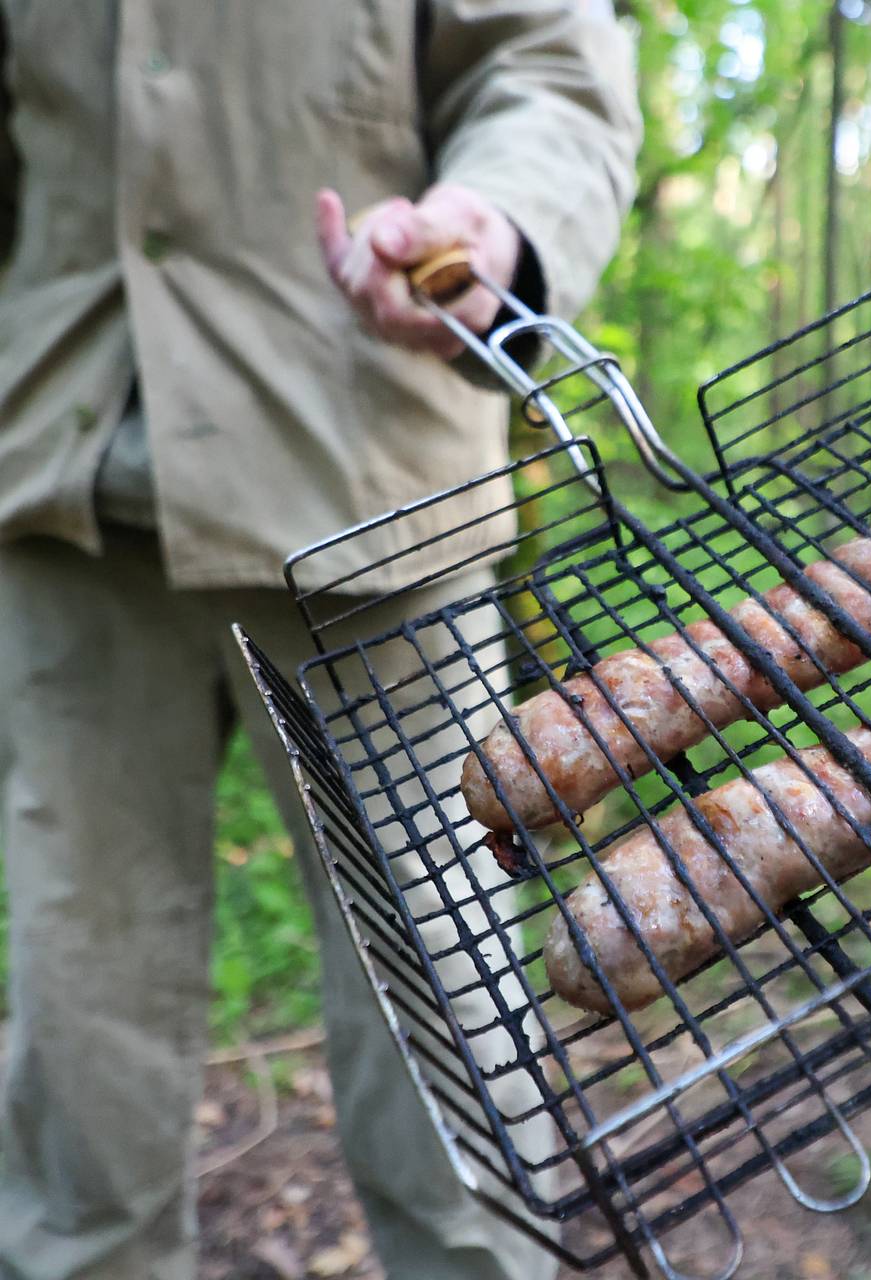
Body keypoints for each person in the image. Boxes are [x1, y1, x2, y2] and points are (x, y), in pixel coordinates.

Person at [0, 4, 640, 1279]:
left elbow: (543, 59)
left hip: (378, 502)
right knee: (83, 1042)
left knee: (455, 1054)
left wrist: (497, 226)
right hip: (68, 486)